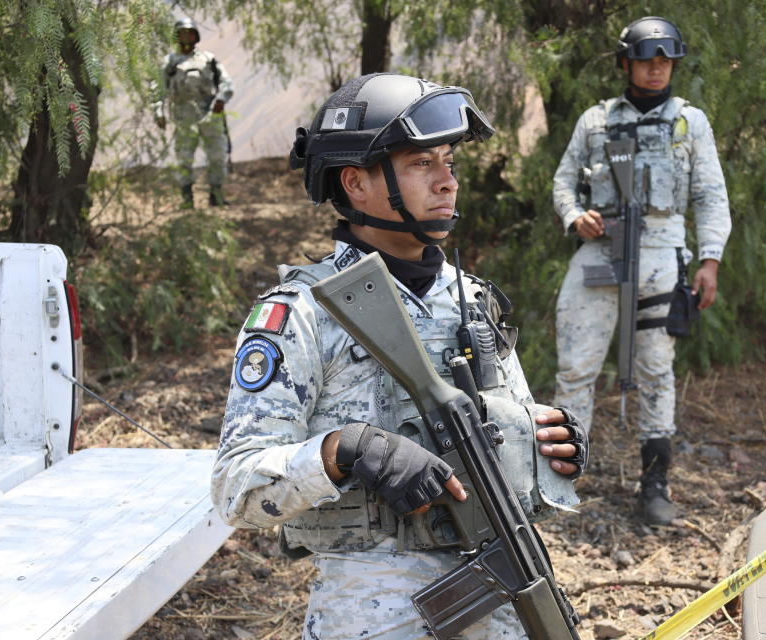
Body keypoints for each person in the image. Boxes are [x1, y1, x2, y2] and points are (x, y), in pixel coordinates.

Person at [212, 72, 589, 639]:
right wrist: (345, 450)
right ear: (357, 184)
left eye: (449, 163)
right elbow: (235, 491)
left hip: (506, 589)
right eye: (421, 164)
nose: (447, 182)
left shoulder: (474, 300)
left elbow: (503, 436)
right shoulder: (303, 313)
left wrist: (548, 444)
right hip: (376, 607)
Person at [551, 16, 731, 526]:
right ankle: (562, 476)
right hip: (600, 250)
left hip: (661, 251)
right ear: (626, 63)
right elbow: (563, 183)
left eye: (665, 60)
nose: (656, 69)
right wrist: (574, 215)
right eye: (647, 59)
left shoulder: (688, 121)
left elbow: (710, 195)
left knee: (655, 371)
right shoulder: (595, 120)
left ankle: (654, 484)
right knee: (576, 368)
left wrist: (710, 259)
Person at [151, 18, 234, 208]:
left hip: (210, 115)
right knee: (184, 158)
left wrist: (221, 99)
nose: (186, 36)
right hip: (183, 117)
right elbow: (157, 88)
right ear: (176, 36)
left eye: (189, 32)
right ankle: (187, 199)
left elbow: (227, 83)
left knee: (217, 156)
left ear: (196, 36)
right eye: (182, 33)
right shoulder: (170, 62)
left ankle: (216, 196)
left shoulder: (208, 59)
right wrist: (158, 111)